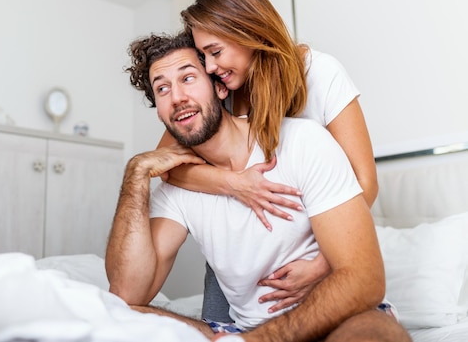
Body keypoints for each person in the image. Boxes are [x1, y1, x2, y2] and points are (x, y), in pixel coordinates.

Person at [106, 32, 411, 342]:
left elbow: (365, 281)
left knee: (376, 335)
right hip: (241, 331)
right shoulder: (178, 187)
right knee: (120, 316)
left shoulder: (302, 142)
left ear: (220, 86)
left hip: (335, 319)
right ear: (158, 110)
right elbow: (126, 293)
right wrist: (136, 174)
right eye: (162, 88)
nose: (177, 97)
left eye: (188, 78)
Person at [157, 0, 378, 320]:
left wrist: (322, 263)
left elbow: (365, 180)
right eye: (203, 56)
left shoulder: (320, 73)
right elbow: (165, 165)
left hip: (317, 247)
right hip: (242, 262)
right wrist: (236, 184)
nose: (210, 67)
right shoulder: (222, 88)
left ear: (251, 33)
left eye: (215, 52)